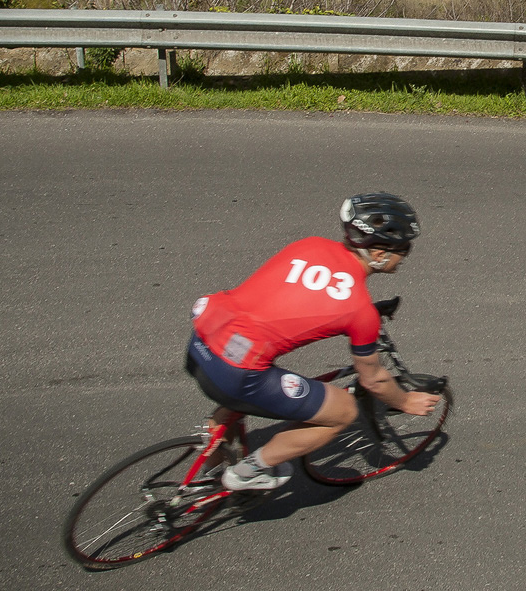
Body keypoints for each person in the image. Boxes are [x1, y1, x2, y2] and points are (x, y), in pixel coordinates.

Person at [184, 192, 441, 492]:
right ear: (380, 253)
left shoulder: (310, 245)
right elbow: (374, 381)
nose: (405, 256)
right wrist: (406, 401)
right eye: (404, 249)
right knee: (344, 411)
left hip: (204, 337)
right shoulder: (359, 310)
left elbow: (288, 297)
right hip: (236, 371)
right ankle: (245, 473)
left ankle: (205, 471)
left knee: (240, 391)